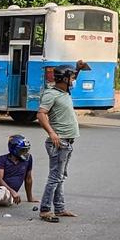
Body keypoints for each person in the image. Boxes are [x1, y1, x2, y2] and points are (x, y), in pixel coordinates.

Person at [36, 61, 89, 223]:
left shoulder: (65, 92)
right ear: (64, 79)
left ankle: (59, 208)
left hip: (67, 142)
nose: (73, 80)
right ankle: (45, 210)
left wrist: (78, 69)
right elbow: (41, 114)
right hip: (59, 142)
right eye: (71, 77)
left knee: (60, 176)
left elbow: (71, 81)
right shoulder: (51, 94)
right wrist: (51, 133)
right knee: (55, 177)